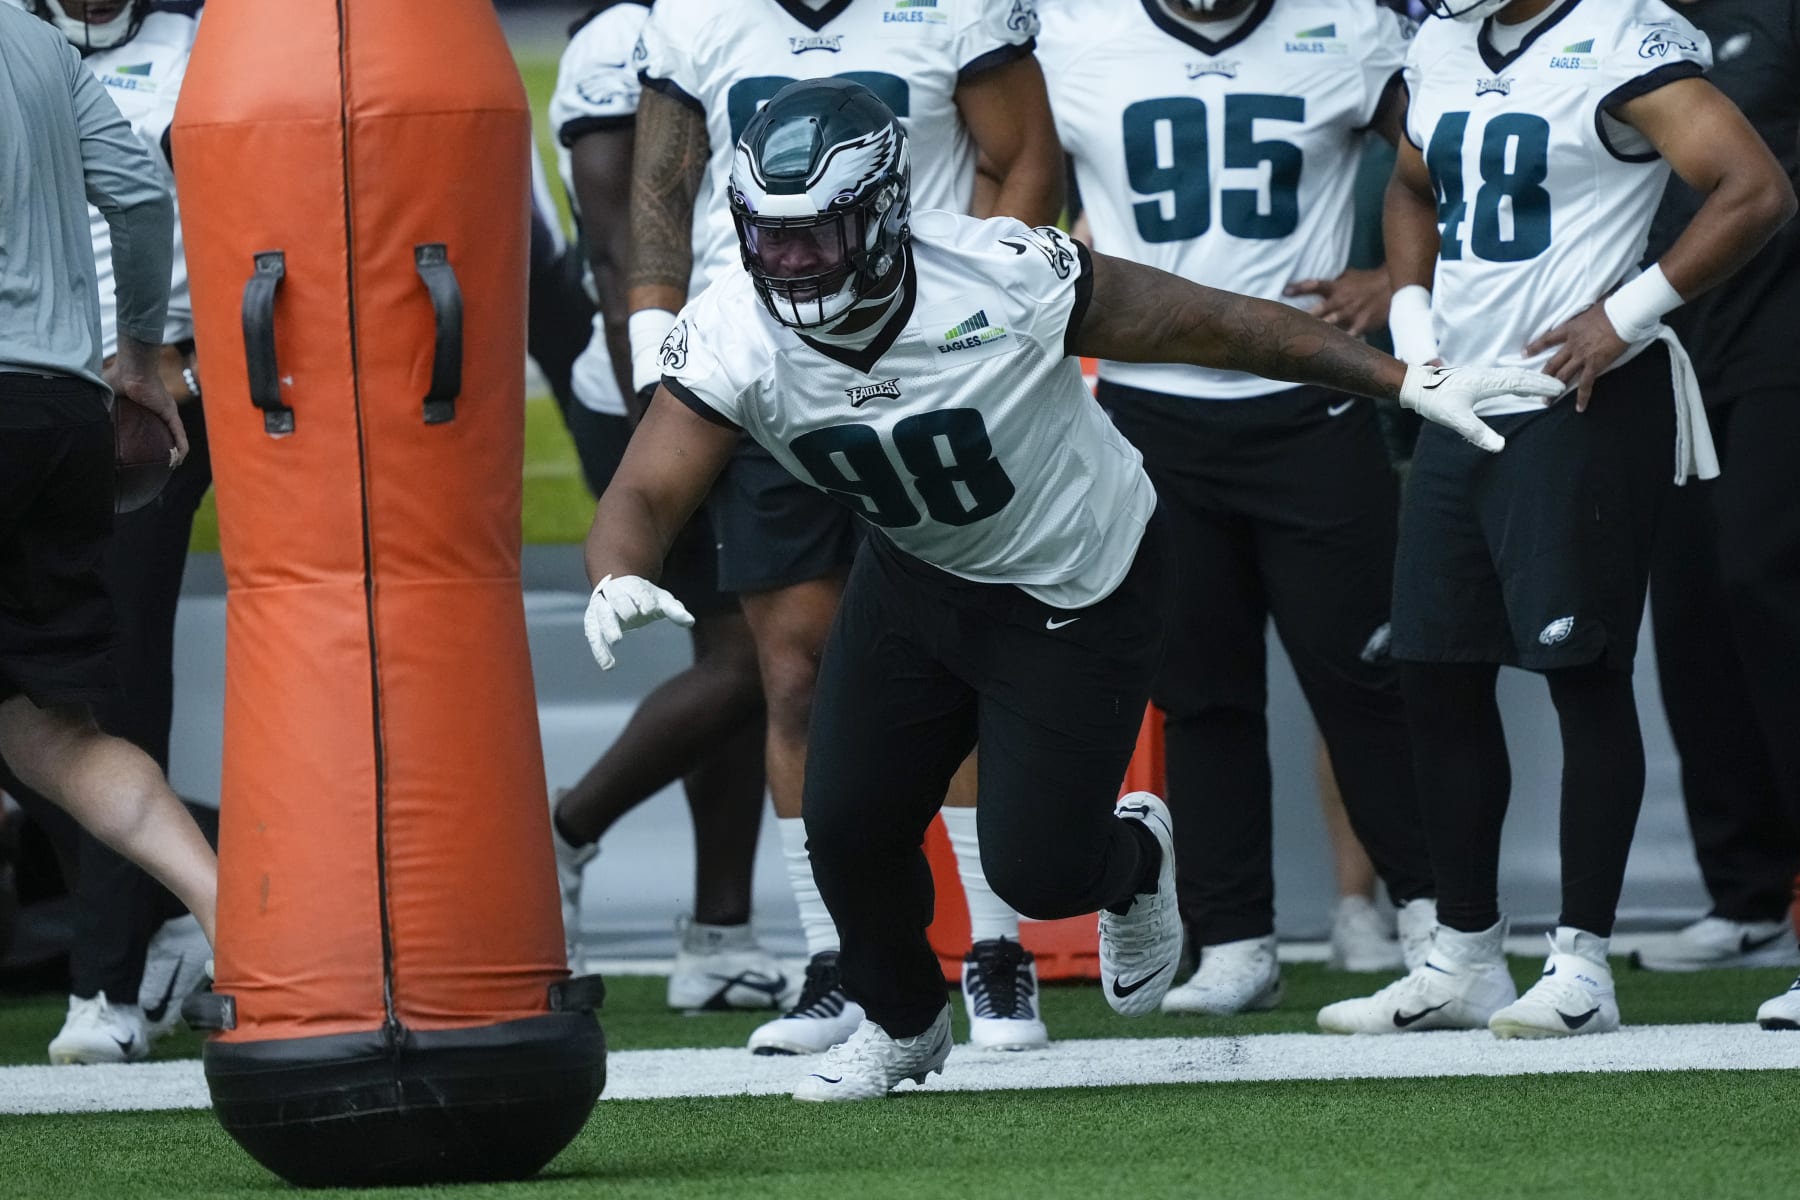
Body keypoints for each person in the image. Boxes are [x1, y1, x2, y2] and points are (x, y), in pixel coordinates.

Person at [581, 78, 1561, 1099]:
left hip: (1077, 583)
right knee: (848, 829)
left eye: (814, 237)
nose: (786, 263)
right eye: (768, 237)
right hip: (919, 577)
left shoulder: (1000, 274)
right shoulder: (736, 325)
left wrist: (1400, 378)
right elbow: (647, 486)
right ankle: (907, 1022)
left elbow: (1211, 324)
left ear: (880, 214)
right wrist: (617, 574)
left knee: (1039, 873)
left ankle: (1132, 859)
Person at [1317, 0, 1795, 1040]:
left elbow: (1753, 186)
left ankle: (1582, 964)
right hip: (1461, 396)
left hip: (1579, 400)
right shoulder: (1443, 42)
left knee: (1582, 676)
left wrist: (1625, 315)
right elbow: (1410, 185)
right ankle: (1467, 958)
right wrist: (1411, 324)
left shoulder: (1623, 31)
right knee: (1435, 675)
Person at [600, 0, 1067, 1055]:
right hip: (767, 373)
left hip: (925, 362)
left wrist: (984, 316)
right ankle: (839, 964)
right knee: (796, 673)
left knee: (954, 655)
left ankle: (995, 952)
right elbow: (667, 182)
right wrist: (653, 338)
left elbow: (1024, 154)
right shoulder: (697, 15)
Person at [1037, 0, 1439, 1017]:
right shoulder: (1068, 33)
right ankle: (1237, 939)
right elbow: (998, 186)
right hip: (1151, 415)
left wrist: (1397, 279)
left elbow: (1459, 151)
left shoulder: (1345, 25)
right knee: (1202, 694)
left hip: (1312, 407)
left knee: (1373, 682)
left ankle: (1444, 921)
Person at [546, 0, 775, 1009]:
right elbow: (616, 245)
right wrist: (664, 399)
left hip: (755, 378)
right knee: (757, 655)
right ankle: (561, 832)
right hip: (664, 388)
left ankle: (719, 935)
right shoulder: (618, 40)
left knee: (750, 657)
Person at [0, 0, 217, 1058]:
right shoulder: (40, 46)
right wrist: (135, 352)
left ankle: (123, 974)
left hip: (84, 388)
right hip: (63, 397)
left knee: (84, 707)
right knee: (49, 729)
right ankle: (227, 918)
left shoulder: (180, 47)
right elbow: (137, 194)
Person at [1629, 0, 1800, 992]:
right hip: (1666, 338)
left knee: (1765, 582)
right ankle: (1745, 897)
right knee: (1689, 607)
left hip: (1781, 328)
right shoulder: (1615, 22)